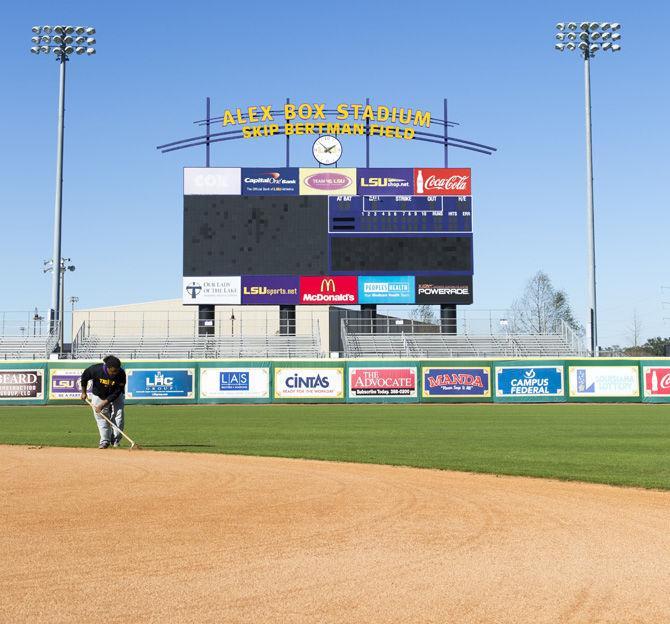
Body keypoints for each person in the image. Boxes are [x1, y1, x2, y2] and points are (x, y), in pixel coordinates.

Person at [80, 355, 127, 449]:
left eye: (117, 370)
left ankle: (115, 439)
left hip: (115, 395)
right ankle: (105, 440)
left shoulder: (121, 373)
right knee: (101, 417)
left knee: (119, 416)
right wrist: (84, 392)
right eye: (113, 371)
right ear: (107, 368)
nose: (115, 373)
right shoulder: (95, 369)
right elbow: (84, 378)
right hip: (99, 394)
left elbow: (118, 392)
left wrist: (103, 403)